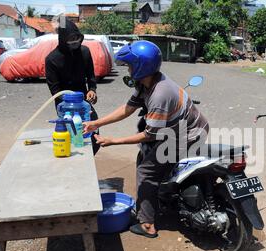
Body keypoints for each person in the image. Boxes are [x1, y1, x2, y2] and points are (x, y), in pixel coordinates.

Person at [83, 41, 209, 238]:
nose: (129, 68)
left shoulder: (159, 94)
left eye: (130, 65)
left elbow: (149, 135)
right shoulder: (148, 82)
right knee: (152, 158)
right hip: (184, 128)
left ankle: (147, 224)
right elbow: (128, 108)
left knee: (146, 170)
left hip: (187, 135)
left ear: (142, 66)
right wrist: (96, 123)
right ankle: (163, 193)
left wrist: (113, 141)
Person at [45, 17, 100, 154]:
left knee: (93, 135)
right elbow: (55, 90)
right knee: (73, 138)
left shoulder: (85, 52)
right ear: (62, 39)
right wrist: (68, 109)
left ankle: (88, 161)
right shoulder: (52, 59)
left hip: (84, 103)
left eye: (77, 38)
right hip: (65, 105)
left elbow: (91, 76)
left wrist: (92, 90)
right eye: (70, 39)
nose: (75, 42)